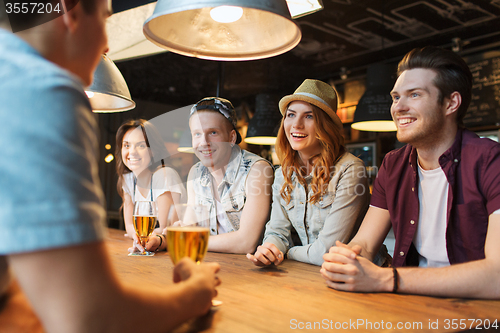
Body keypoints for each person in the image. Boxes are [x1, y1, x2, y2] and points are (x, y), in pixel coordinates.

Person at [0, 1, 220, 332]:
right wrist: (196, 293)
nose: (106, 46)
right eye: (105, 19)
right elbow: (92, 318)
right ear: (69, 11)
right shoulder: (41, 88)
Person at [321, 46, 500, 299]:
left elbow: (497, 276)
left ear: (451, 103)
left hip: (479, 313)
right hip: (410, 304)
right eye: (396, 97)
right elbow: (366, 243)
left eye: (414, 95)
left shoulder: (490, 161)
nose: (398, 108)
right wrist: (348, 259)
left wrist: (385, 278)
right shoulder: (393, 165)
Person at [247, 79, 371, 266]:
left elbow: (326, 252)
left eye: (309, 116)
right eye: (291, 115)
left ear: (326, 126)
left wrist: (287, 252)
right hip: (312, 276)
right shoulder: (282, 174)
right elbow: (277, 232)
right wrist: (270, 249)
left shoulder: (350, 169)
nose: (296, 124)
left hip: (359, 277)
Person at [146, 97, 274, 254]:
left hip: (256, 271)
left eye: (213, 132)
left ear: (232, 137)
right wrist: (162, 240)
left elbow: (246, 243)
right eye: (197, 134)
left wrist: (188, 239)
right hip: (212, 265)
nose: (203, 142)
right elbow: (189, 227)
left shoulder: (257, 170)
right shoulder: (196, 172)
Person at [115, 119, 185, 242]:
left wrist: (137, 236)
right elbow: (129, 227)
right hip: (150, 246)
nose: (132, 152)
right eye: (126, 145)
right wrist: (137, 236)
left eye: (141, 145)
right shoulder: (128, 180)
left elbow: (165, 229)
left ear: (153, 151)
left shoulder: (164, 175)